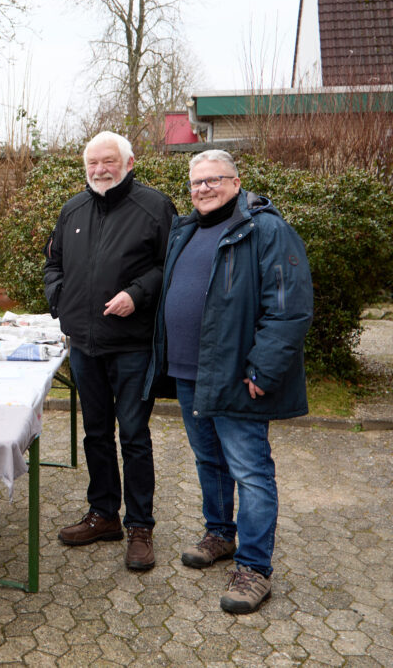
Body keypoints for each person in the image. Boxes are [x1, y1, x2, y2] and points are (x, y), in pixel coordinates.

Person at [144, 149, 312, 613]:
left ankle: (254, 568)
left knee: (251, 472)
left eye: (213, 180)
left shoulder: (266, 230)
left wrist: (264, 368)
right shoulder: (186, 229)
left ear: (236, 183)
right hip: (189, 373)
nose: (203, 189)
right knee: (209, 460)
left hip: (238, 376)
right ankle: (219, 533)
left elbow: (289, 307)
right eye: (196, 182)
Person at [43, 131, 177, 571]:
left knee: (134, 435)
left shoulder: (154, 207)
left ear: (129, 163)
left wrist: (138, 293)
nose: (99, 170)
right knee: (95, 433)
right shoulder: (72, 209)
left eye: (108, 161)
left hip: (132, 345)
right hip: (84, 345)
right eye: (92, 163)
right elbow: (54, 263)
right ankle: (104, 514)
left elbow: (170, 266)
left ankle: (140, 526)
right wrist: (59, 298)